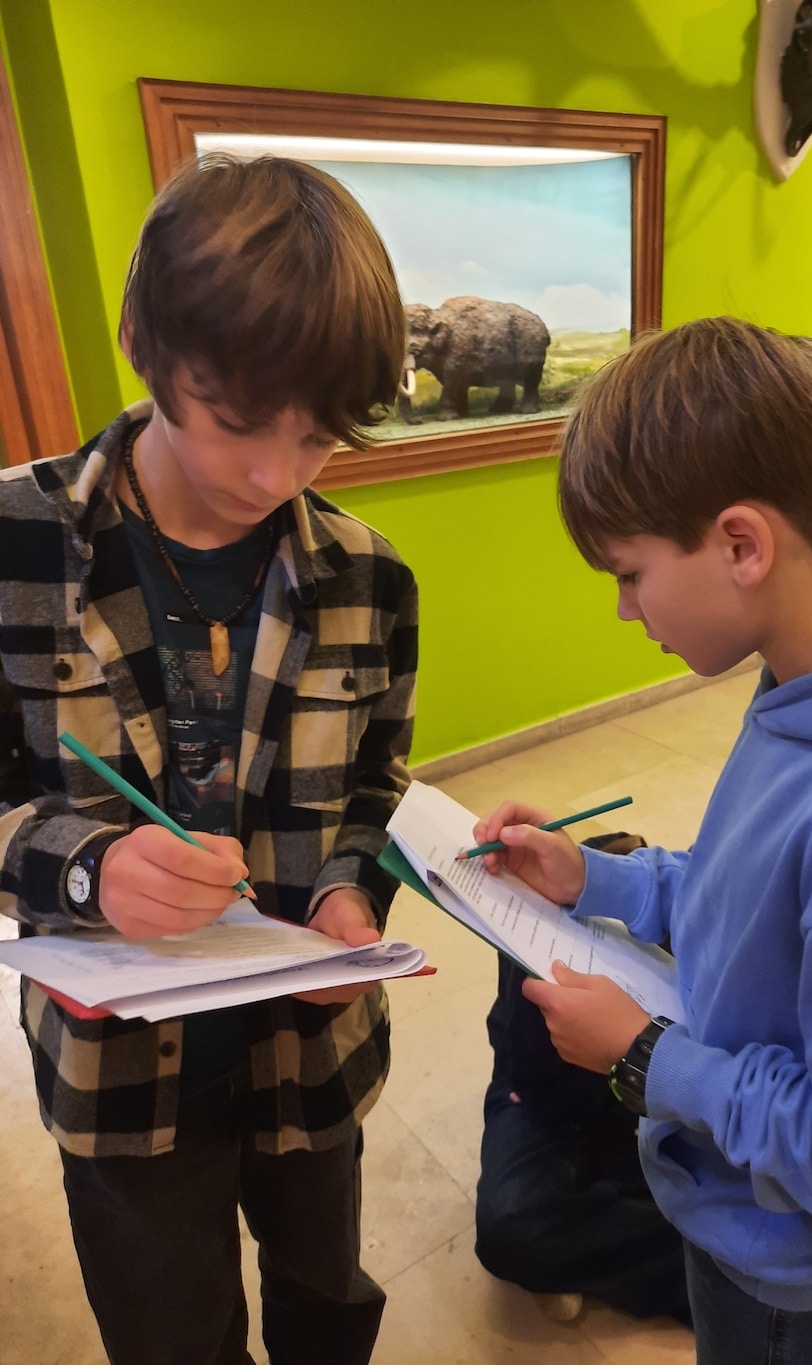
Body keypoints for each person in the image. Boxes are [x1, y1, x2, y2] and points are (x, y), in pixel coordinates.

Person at [469, 318, 812, 1364]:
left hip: (796, 1271)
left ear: (740, 545)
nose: (624, 611)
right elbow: (747, 904)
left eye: (628, 573)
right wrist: (595, 877)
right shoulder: (808, 687)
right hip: (739, 1203)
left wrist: (646, 1058)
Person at [0, 154, 417, 1365]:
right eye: (236, 423)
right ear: (143, 342)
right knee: (169, 1332)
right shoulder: (18, 543)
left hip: (310, 1057)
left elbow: (380, 786)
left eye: (318, 436)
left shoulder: (370, 575)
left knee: (327, 1299)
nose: (275, 477)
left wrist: (352, 894)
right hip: (121, 1082)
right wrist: (89, 870)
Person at [475, 833, 691, 1325]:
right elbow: (528, 1087)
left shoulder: (688, 936)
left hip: (656, 1099)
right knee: (512, 1227)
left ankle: (611, 1245)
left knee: (763, 1200)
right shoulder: (540, 936)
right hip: (558, 1105)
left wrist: (643, 1052)